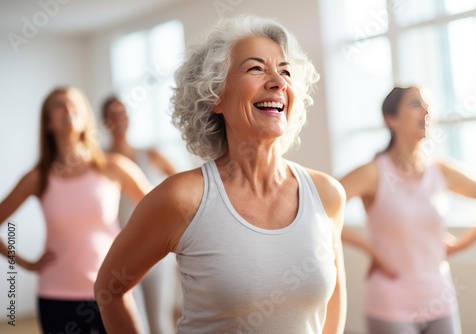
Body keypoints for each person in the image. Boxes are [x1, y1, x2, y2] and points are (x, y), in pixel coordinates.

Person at [95, 15, 346, 334]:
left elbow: (335, 297)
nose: (278, 82)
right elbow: (109, 289)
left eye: (285, 71)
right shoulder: (181, 199)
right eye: (256, 68)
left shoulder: (327, 195)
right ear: (215, 95)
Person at [340, 86, 476, 334]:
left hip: (439, 298)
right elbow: (318, 209)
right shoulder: (373, 173)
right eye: (415, 104)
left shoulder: (441, 172)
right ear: (391, 119)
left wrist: (460, 245)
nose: (426, 111)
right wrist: (371, 249)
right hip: (390, 303)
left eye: (428, 105)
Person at [0, 86, 151, 333]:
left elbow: (162, 212)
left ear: (86, 116)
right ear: (48, 123)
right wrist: (25, 264)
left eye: (74, 104)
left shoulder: (113, 167)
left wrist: (136, 265)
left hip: (110, 294)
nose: (67, 109)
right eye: (59, 105)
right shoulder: (37, 178)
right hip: (55, 295)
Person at [102, 96, 181, 333]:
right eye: (112, 115)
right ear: (104, 122)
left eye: (122, 113)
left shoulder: (151, 155)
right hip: (120, 254)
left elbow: (181, 190)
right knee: (132, 323)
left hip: (156, 252)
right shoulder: (101, 162)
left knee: (159, 321)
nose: (118, 119)